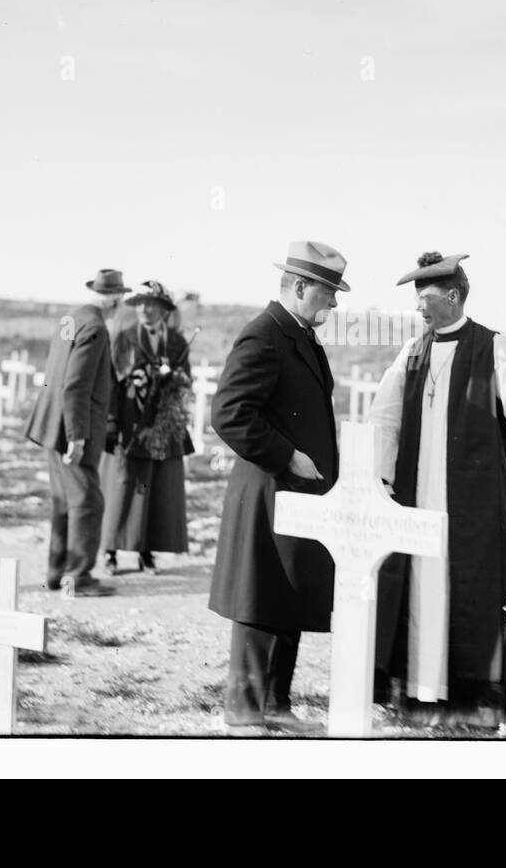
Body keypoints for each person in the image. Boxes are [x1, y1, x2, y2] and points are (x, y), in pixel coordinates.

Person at [370, 252, 506, 728]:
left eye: (426, 297)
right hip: (417, 497)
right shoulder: (412, 352)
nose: (419, 307)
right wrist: (379, 478)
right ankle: (422, 695)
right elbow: (386, 415)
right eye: (417, 298)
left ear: (454, 296)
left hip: (476, 502)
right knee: (418, 589)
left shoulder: (493, 347)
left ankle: (477, 700)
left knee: (474, 592)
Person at [207, 241, 349, 735]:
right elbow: (228, 414)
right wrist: (287, 455)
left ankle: (274, 703)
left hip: (295, 495)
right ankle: (245, 710)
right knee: (259, 596)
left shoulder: (301, 336)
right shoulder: (264, 335)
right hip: (268, 488)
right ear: (301, 286)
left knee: (286, 595)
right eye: (329, 292)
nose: (334, 303)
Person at [24, 268, 128, 597]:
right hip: (71, 428)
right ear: (113, 298)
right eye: (120, 296)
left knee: (65, 502)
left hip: (51, 425)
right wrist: (77, 437)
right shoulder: (96, 327)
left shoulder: (73, 318)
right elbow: (76, 385)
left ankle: (58, 573)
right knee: (87, 501)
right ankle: (78, 578)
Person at [99, 280, 194, 576]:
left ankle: (146, 551)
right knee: (121, 485)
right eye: (140, 303)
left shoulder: (177, 342)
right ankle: (111, 551)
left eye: (152, 304)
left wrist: (174, 380)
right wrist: (112, 424)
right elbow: (113, 383)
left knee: (152, 486)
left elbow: (185, 383)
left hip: (161, 425)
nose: (145, 310)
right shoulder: (125, 338)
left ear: (164, 310)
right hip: (130, 422)